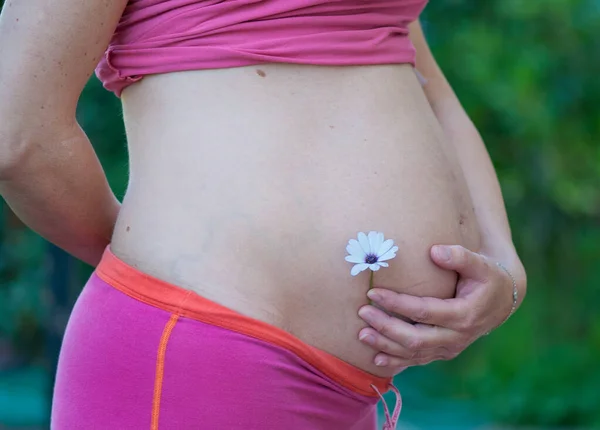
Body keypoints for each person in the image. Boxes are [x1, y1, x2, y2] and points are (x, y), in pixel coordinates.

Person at [0, 1, 526, 429]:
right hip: (204, 355)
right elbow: (18, 135)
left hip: (355, 386)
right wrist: (165, 279)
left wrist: (505, 268)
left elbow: (421, 76)